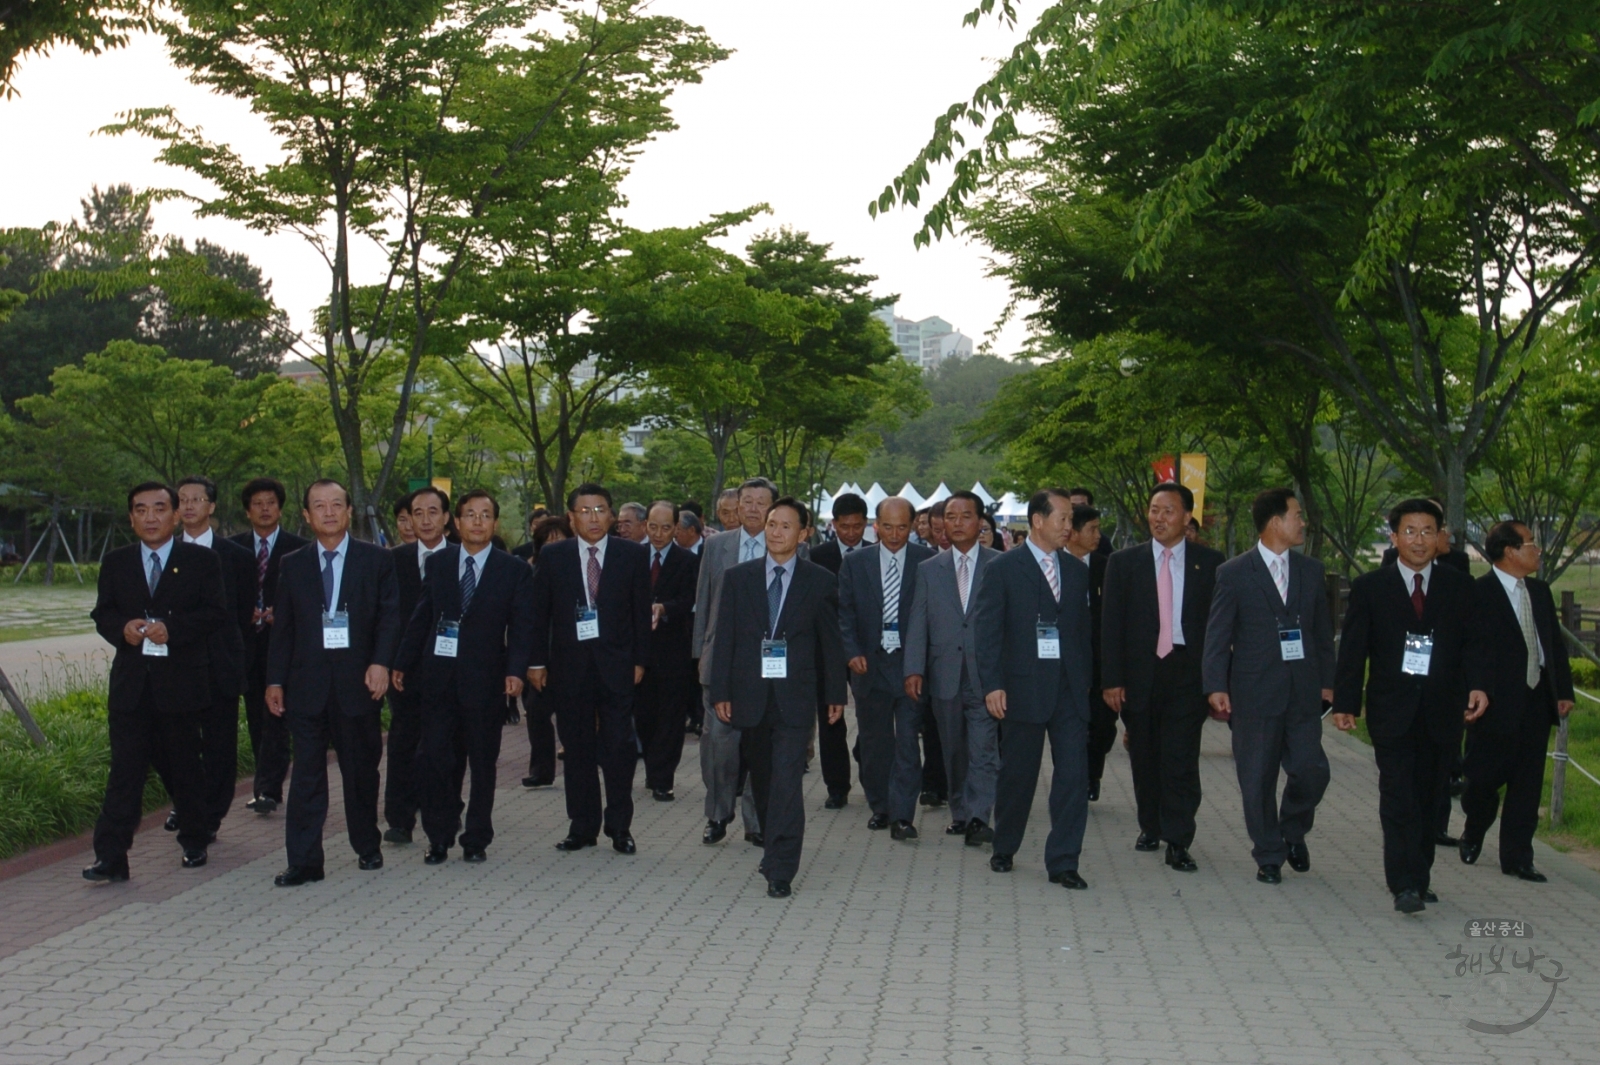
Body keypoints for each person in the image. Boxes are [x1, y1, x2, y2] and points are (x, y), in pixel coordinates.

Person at [1331, 498, 1484, 913]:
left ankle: (1420, 875)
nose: (1419, 540)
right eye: (1411, 532)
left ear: (1441, 539)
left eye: (1428, 532)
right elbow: (1354, 650)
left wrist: (1478, 688)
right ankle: (1404, 884)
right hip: (1391, 711)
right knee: (1398, 796)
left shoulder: (1459, 587)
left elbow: (1472, 646)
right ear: (1395, 537)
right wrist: (1346, 702)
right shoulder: (1370, 588)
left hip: (1441, 710)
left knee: (1431, 797)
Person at [83, 482, 227, 882]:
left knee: (184, 768)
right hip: (132, 688)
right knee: (124, 773)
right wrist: (121, 629)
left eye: (159, 509)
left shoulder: (201, 561)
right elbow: (103, 613)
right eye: (141, 510)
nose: (150, 517)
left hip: (180, 687)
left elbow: (216, 613)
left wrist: (173, 629)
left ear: (176, 514)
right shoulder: (116, 562)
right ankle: (110, 857)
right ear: (131, 518)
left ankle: (195, 838)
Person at [264, 479, 401, 886]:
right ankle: (304, 861)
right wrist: (274, 680)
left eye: (336, 505)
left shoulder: (376, 560)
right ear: (306, 515)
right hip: (305, 686)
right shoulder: (293, 563)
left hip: (357, 684)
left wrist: (380, 663)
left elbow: (390, 617)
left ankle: (367, 845)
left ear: (348, 512)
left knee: (360, 771)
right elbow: (283, 628)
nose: (328, 512)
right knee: (306, 775)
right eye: (318, 506)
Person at [711, 496, 847, 898]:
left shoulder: (819, 580)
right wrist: (721, 690)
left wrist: (834, 693)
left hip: (795, 697)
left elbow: (830, 643)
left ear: (803, 534)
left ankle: (782, 869)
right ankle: (773, 849)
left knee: (788, 780)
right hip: (750, 694)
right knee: (765, 779)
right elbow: (726, 639)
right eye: (772, 524)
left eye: (786, 526)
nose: (776, 532)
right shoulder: (738, 578)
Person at [1202, 488, 1336, 885]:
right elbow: (1217, 633)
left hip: (1303, 690)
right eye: (1297, 514)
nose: (1302, 521)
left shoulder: (1311, 570)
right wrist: (1215, 685)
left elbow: (1321, 633)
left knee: (1313, 770)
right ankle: (1269, 853)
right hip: (1253, 691)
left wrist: (1330, 683)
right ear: (1275, 522)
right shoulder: (1234, 572)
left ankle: (1292, 830)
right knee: (1256, 778)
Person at [392, 489, 533, 865]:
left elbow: (521, 627)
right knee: (435, 759)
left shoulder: (514, 569)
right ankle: (439, 835)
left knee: (483, 763)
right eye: (469, 515)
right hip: (438, 679)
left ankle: (476, 838)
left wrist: (516, 671)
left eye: (485, 516)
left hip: (486, 682)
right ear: (456, 522)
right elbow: (422, 616)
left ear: (495, 523)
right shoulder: (439, 563)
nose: (477, 522)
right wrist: (402, 662)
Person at [1101, 484, 1225, 872]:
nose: (1160, 518)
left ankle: (1178, 837)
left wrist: (1216, 680)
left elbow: (1218, 627)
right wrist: (1112, 679)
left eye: (1169, 511)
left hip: (1187, 671)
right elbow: (1111, 626)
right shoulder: (1124, 563)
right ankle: (1149, 824)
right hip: (1140, 672)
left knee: (1180, 757)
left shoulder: (1211, 562)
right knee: (1144, 753)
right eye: (1155, 510)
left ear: (1188, 517)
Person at [975, 487, 1094, 888]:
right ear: (1038, 521)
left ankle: (1063, 861)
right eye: (1062, 518)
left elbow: (1083, 633)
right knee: (1019, 775)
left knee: (1074, 777)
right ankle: (1005, 845)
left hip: (1070, 690)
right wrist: (992, 684)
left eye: (1071, 519)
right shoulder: (1004, 569)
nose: (1068, 526)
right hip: (1022, 688)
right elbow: (987, 632)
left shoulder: (1078, 571)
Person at [528, 483, 651, 854]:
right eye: (584, 511)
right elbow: (539, 615)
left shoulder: (631, 555)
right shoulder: (554, 557)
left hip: (618, 666)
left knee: (619, 748)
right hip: (569, 668)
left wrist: (640, 660)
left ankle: (619, 827)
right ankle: (582, 826)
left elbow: (640, 613)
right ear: (571, 517)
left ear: (612, 515)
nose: (593, 518)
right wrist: (536, 662)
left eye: (600, 510)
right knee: (578, 749)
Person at [1459, 520, 1574, 883]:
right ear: (1510, 551)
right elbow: (1470, 649)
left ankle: (1518, 856)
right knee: (1481, 780)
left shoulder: (1539, 592)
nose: (1537, 550)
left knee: (1527, 782)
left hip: (1536, 698)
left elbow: (1553, 645)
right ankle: (1475, 826)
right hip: (1492, 702)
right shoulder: (1479, 592)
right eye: (1530, 544)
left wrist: (1564, 691)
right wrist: (1474, 689)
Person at [904, 490, 1000, 845]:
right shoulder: (929, 569)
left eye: (965, 516)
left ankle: (979, 817)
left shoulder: (999, 563)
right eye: (951, 517)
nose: (957, 523)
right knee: (953, 748)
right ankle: (960, 812)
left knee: (983, 748)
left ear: (980, 522)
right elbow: (918, 621)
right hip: (944, 672)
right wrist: (913, 668)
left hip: (986, 675)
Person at [839, 497, 935, 839]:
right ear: (875, 526)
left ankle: (903, 814)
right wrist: (851, 652)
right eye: (888, 527)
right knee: (875, 742)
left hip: (911, 667)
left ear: (912, 526)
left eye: (902, 527)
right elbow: (845, 613)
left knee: (908, 741)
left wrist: (922, 664)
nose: (895, 535)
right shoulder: (855, 562)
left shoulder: (928, 562)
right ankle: (880, 805)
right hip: (869, 665)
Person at [169, 475, 256, 840]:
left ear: (212, 506)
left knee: (220, 746)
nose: (189, 506)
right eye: (183, 500)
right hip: (176, 666)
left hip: (220, 663)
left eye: (197, 499)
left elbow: (242, 613)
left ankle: (211, 815)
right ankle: (188, 807)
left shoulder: (236, 557)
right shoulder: (165, 553)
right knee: (179, 744)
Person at [693, 478, 777, 845]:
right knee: (718, 744)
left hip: (769, 660)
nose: (754, 509)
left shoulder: (788, 545)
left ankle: (756, 821)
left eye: (762, 502)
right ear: (736, 506)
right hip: (722, 658)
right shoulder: (716, 546)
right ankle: (718, 813)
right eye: (747, 502)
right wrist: (700, 654)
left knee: (762, 744)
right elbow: (704, 602)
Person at [230, 476, 307, 816]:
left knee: (277, 714)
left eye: (270, 503)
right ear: (247, 510)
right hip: (246, 643)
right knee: (255, 715)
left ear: (280, 508)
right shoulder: (233, 548)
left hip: (283, 643)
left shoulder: (299, 548)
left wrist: (285, 614)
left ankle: (268, 788)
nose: (264, 509)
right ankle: (264, 784)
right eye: (257, 504)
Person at [383, 486, 452, 844]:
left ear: (446, 517)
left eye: (432, 512)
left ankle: (443, 809)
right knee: (403, 741)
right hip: (404, 668)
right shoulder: (393, 560)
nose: (424, 520)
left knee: (444, 742)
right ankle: (399, 817)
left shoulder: (462, 557)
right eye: (416, 513)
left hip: (451, 666)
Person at [806, 492, 868, 808]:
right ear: (834, 524)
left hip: (866, 649)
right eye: (844, 526)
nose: (851, 533)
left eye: (857, 526)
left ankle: (870, 772)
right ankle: (836, 786)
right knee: (831, 718)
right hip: (826, 649)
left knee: (871, 715)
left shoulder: (876, 553)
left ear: (866, 524)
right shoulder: (817, 556)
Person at [636, 501, 700, 801]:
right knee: (645, 715)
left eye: (665, 527)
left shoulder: (687, 560)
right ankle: (651, 766)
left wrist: (665, 609)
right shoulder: (633, 557)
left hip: (673, 650)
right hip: (639, 652)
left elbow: (690, 600)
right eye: (653, 526)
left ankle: (663, 777)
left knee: (671, 717)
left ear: (676, 528)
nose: (658, 534)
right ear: (645, 525)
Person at [1060, 503, 1116, 805]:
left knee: (1102, 726)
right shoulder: (1053, 565)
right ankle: (1072, 777)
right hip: (1062, 661)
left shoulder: (1107, 567)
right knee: (1068, 726)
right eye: (1092, 529)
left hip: (1099, 662)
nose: (1098, 535)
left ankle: (1092, 773)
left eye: (1098, 528)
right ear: (1073, 532)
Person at [520, 515, 570, 787]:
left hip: (568, 654)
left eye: (559, 541)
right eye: (548, 543)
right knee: (536, 713)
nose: (553, 548)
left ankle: (575, 759)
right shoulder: (528, 569)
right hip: (538, 653)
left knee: (570, 714)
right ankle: (541, 769)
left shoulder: (578, 569)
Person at [1069, 488, 1114, 557]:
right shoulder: (1057, 541)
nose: (1078, 510)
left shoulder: (1102, 543)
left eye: (1082, 505)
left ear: (1091, 507)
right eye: (1073, 506)